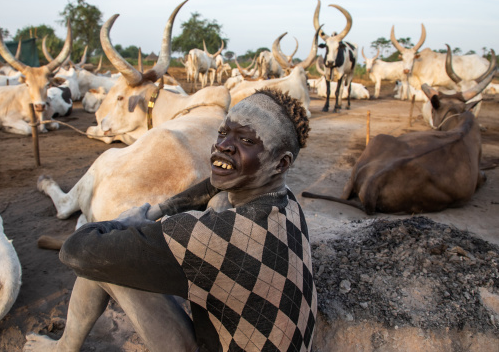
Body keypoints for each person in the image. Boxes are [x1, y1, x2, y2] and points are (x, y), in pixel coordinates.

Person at [23, 87, 316, 352]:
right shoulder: (287, 201)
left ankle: (63, 348)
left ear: (281, 163)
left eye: (246, 139)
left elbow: (75, 250)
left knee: (103, 262)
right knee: (217, 200)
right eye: (223, 132)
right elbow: (216, 184)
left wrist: (126, 222)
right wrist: (157, 211)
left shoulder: (215, 236)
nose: (222, 146)